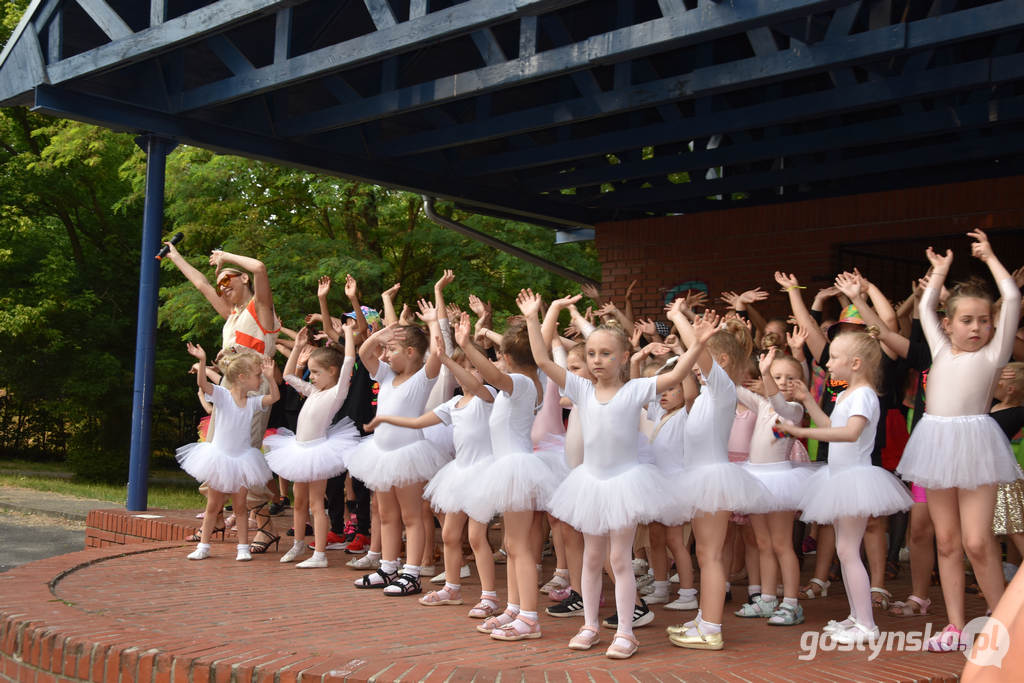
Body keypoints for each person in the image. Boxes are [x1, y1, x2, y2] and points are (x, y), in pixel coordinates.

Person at [522, 291, 716, 659]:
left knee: (619, 560)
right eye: (591, 354)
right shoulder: (580, 388)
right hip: (590, 484)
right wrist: (535, 318)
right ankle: (590, 625)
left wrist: (697, 340)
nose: (596, 360)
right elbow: (541, 359)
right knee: (591, 559)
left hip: (625, 484)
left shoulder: (636, 389)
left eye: (605, 354)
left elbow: (676, 373)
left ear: (625, 357)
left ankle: (626, 631)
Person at [897, 230, 1023, 651]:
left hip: (976, 444)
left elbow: (1012, 297)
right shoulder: (938, 346)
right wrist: (940, 272)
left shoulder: (994, 354)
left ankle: (1004, 624)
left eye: (984, 320)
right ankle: (955, 626)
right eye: (966, 321)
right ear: (948, 325)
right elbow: (928, 306)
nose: (977, 327)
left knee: (976, 540)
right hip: (935, 443)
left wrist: (990, 257)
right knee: (947, 541)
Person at [776, 331, 913, 645]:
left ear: (855, 363)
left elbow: (850, 434)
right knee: (845, 550)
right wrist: (808, 400)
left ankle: (866, 624)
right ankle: (856, 616)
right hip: (840, 477)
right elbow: (831, 426)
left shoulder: (864, 395)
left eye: (835, 357)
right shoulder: (849, 393)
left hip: (855, 478)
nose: (828, 362)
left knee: (849, 551)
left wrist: (798, 431)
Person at [369, 313, 499, 615]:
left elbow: (476, 385)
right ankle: (452, 588)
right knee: (450, 535)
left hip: (483, 473)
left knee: (476, 537)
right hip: (459, 473)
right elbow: (416, 421)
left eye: (472, 368)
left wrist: (449, 358)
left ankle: (489, 596)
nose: (465, 374)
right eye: (463, 368)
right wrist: (384, 418)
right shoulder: (452, 404)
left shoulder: (489, 395)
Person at [663, 301, 771, 651]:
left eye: (705, 355)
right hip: (700, 478)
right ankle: (703, 618)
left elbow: (698, 356)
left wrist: (679, 319)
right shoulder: (710, 393)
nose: (697, 362)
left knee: (710, 555)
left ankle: (710, 627)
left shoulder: (722, 387)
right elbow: (692, 360)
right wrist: (684, 322)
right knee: (707, 553)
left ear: (720, 362)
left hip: (711, 480)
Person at [456, 303, 558, 642]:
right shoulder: (516, 385)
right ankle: (514, 608)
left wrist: (469, 344)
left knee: (521, 547)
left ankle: (529, 618)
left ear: (509, 358)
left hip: (517, 467)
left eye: (500, 355)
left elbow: (495, 376)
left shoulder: (523, 384)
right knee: (514, 545)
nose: (498, 361)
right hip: (508, 466)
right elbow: (487, 381)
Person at [346, 319, 447, 596]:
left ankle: (412, 573)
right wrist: (381, 334)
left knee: (412, 516)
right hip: (381, 455)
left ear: (411, 352)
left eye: (391, 349)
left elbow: (438, 352)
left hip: (408, 454)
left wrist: (432, 322)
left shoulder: (422, 378)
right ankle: (388, 567)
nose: (385, 354)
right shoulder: (387, 375)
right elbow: (364, 353)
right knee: (386, 514)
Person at [265, 286, 360, 568]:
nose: (313, 376)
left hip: (318, 450)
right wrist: (296, 348)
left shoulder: (336, 393)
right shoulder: (313, 391)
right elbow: (289, 376)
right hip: (298, 448)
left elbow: (349, 362)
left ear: (332, 372)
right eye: (312, 373)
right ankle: (297, 545)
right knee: (299, 501)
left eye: (317, 372)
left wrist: (350, 337)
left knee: (318, 504)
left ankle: (319, 554)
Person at [176, 344, 278, 561]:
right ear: (242, 377)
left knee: (240, 506)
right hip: (220, 459)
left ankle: (243, 547)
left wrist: (270, 377)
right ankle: (203, 547)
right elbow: (203, 383)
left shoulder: (252, 402)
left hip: (241, 460)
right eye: (258, 376)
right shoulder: (222, 395)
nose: (260, 380)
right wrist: (202, 361)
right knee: (213, 505)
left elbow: (274, 398)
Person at [734, 349, 812, 626]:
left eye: (790, 377)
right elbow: (732, 387)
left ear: (802, 381)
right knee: (763, 543)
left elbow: (781, 406)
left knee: (781, 544)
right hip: (756, 478)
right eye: (777, 376)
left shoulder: (794, 410)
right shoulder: (762, 405)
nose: (782, 381)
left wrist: (765, 374)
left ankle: (791, 602)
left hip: (780, 482)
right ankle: (767, 598)